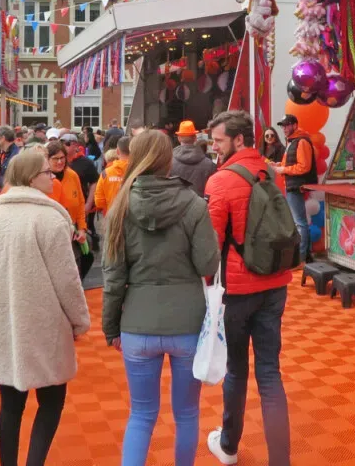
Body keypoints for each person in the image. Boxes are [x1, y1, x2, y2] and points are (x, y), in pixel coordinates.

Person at [102, 130, 220, 466]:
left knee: (141, 415)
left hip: (137, 323)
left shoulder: (120, 206)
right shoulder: (194, 204)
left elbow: (113, 277)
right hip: (187, 323)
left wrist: (111, 327)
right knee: (186, 414)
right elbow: (208, 264)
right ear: (169, 158)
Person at [0, 148, 90, 466]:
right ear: (29, 177)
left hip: (5, 325)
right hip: (45, 326)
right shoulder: (50, 219)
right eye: (46, 172)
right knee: (52, 401)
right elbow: (67, 281)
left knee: (10, 407)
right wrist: (80, 321)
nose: (53, 177)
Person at [205, 110, 292, 466]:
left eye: (219, 141)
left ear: (238, 140)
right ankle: (280, 459)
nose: (214, 148)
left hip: (238, 290)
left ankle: (228, 445)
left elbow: (211, 245)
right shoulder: (273, 174)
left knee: (236, 369)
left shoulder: (220, 181)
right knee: (270, 372)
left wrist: (208, 289)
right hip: (275, 283)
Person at [271, 114, 318, 265]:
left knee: (300, 223)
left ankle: (302, 257)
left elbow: (304, 166)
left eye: (287, 125)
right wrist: (279, 166)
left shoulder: (301, 141)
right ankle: (306, 255)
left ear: (295, 125)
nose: (284, 128)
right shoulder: (295, 141)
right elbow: (295, 164)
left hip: (296, 185)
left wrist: (283, 169)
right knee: (300, 222)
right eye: (282, 125)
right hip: (293, 184)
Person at [46, 141, 91, 279]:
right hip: (51, 236)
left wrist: (82, 228)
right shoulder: (42, 179)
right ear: (47, 160)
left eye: (62, 158)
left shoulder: (72, 175)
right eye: (55, 159)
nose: (60, 162)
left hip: (73, 233)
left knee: (75, 274)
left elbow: (80, 203)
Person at [63, 133, 100, 246]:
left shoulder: (85, 162)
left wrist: (89, 203)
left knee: (80, 238)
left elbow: (94, 182)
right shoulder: (59, 160)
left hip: (79, 207)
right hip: (61, 206)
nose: (63, 146)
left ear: (75, 145)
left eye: (66, 144)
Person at [170, 120, 217, 197]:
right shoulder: (209, 165)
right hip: (200, 207)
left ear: (179, 138)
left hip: (175, 207)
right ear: (195, 138)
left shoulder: (168, 163)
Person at [94, 135, 129, 216]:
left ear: (117, 152)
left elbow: (99, 202)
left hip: (112, 217)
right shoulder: (139, 171)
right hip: (134, 221)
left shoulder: (106, 173)